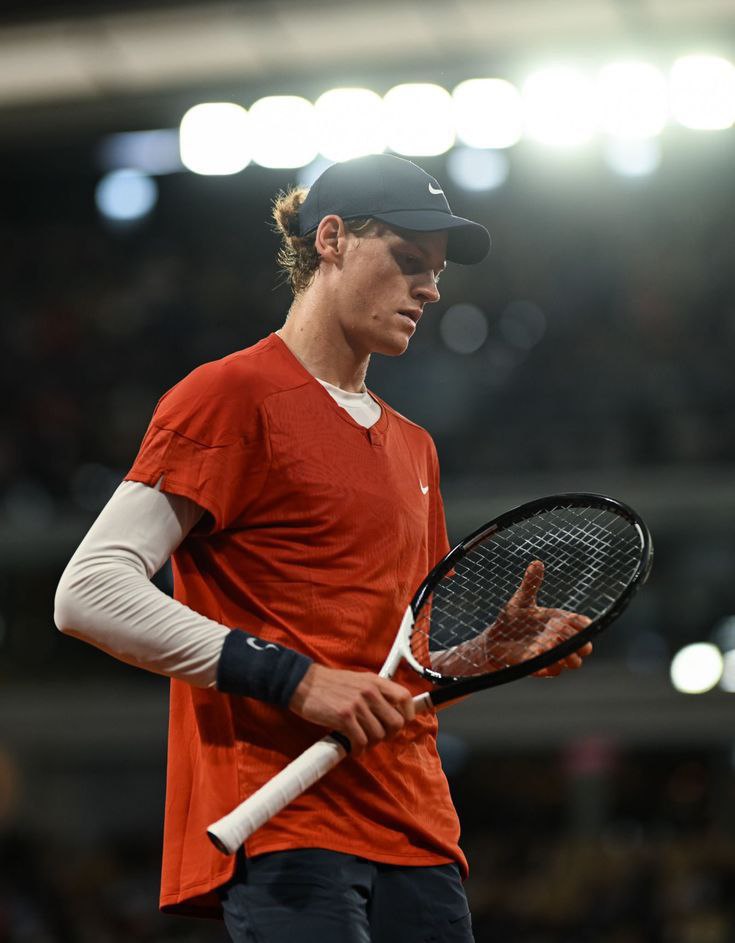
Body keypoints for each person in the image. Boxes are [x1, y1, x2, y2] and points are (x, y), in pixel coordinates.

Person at [54, 154, 592, 942]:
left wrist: (483, 655)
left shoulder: (415, 447)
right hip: (286, 823)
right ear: (331, 239)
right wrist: (296, 680)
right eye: (408, 260)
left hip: (419, 830)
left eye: (436, 272)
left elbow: (387, 675)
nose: (430, 289)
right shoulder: (228, 395)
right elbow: (88, 590)